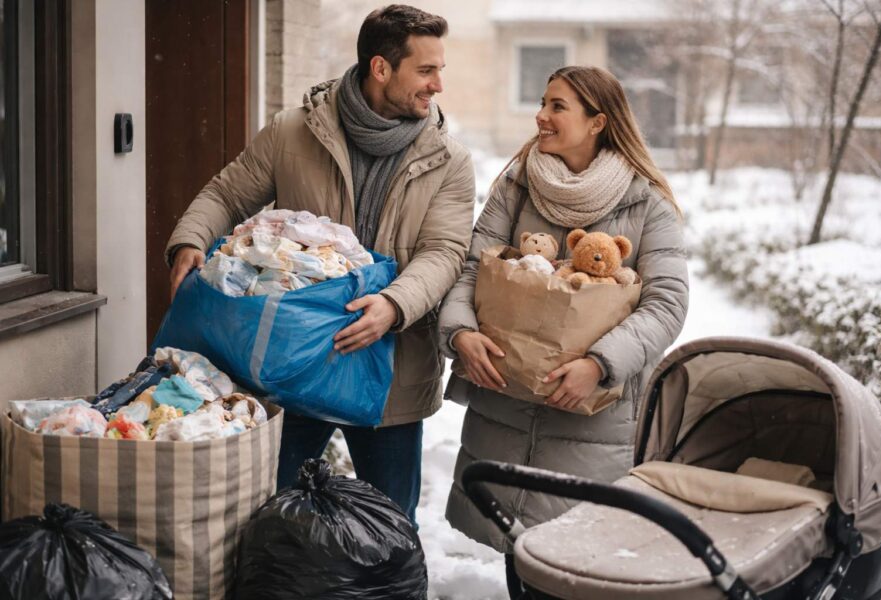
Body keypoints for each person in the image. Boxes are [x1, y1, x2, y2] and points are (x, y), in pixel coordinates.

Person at [165, 4, 476, 526]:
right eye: (426, 70)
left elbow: (444, 252)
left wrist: (394, 305)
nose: (438, 84)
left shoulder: (449, 159)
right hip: (293, 362)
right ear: (381, 68)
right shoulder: (292, 133)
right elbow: (228, 193)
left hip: (389, 370)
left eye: (439, 69)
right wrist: (191, 240)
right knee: (270, 517)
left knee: (390, 527)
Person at [438, 65, 688, 598]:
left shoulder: (647, 205)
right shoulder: (518, 185)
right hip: (503, 405)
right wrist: (460, 332)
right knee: (516, 552)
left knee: (579, 563)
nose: (541, 116)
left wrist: (599, 364)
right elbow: (469, 268)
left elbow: (667, 303)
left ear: (598, 121)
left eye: (557, 106)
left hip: (591, 422)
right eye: (543, 103)